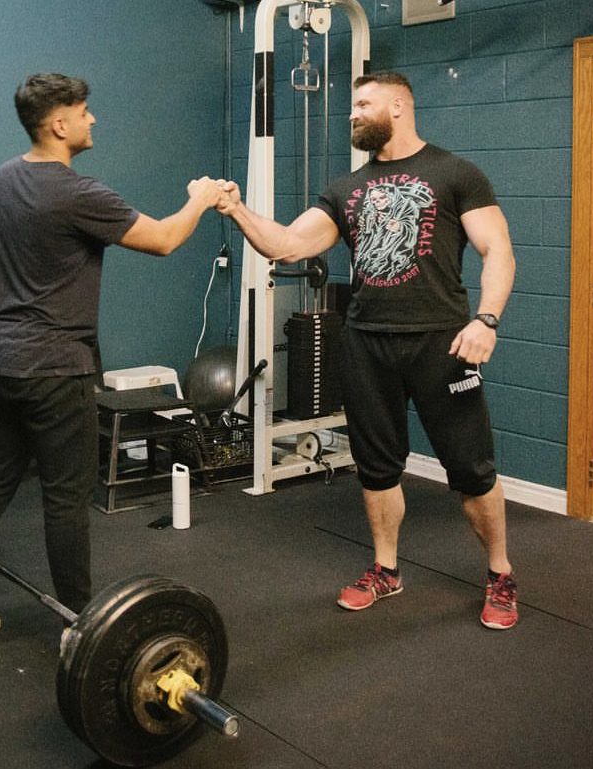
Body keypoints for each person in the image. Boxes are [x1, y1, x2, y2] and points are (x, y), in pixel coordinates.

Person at [0, 73, 223, 638]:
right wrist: (199, 199)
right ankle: (79, 624)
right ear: (59, 123)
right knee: (65, 497)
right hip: (55, 366)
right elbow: (162, 240)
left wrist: (26, 289)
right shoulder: (79, 193)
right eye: (84, 111)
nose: (92, 119)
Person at [216, 71, 518, 630]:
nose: (351, 114)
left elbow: (497, 250)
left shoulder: (456, 174)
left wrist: (487, 319)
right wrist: (238, 211)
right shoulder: (344, 188)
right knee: (377, 469)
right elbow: (288, 243)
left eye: (362, 104)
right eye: (352, 106)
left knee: (472, 469)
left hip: (442, 342)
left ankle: (500, 573)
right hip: (366, 343)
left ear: (400, 106)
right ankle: (385, 569)